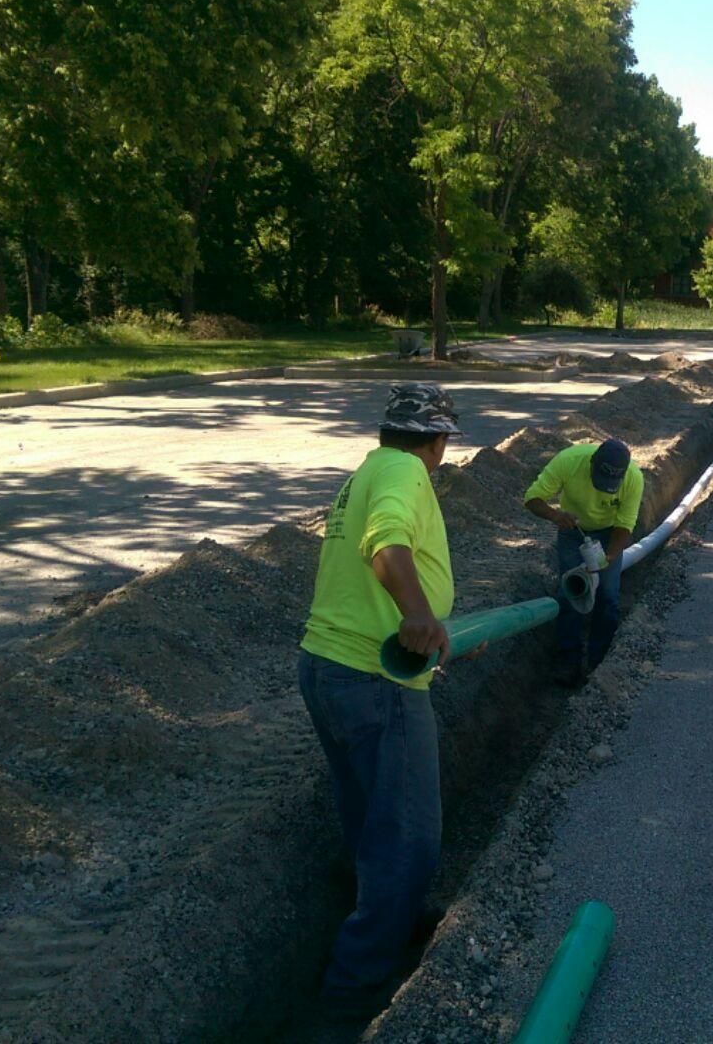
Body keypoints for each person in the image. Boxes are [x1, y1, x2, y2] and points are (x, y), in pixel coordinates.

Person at [296, 383, 459, 1007]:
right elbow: (386, 543)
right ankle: (358, 984)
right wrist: (418, 615)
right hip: (377, 677)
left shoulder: (365, 469)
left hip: (328, 667)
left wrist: (443, 628)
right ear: (438, 442)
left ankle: (389, 919)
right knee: (408, 834)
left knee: (370, 819)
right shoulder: (405, 473)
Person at [523, 437, 642, 686]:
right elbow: (532, 498)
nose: (603, 488)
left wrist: (608, 557)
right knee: (571, 594)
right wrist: (556, 516)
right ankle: (569, 661)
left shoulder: (633, 478)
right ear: (591, 464)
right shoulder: (568, 462)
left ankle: (599, 662)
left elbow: (625, 525)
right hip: (572, 531)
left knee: (608, 596)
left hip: (610, 533)